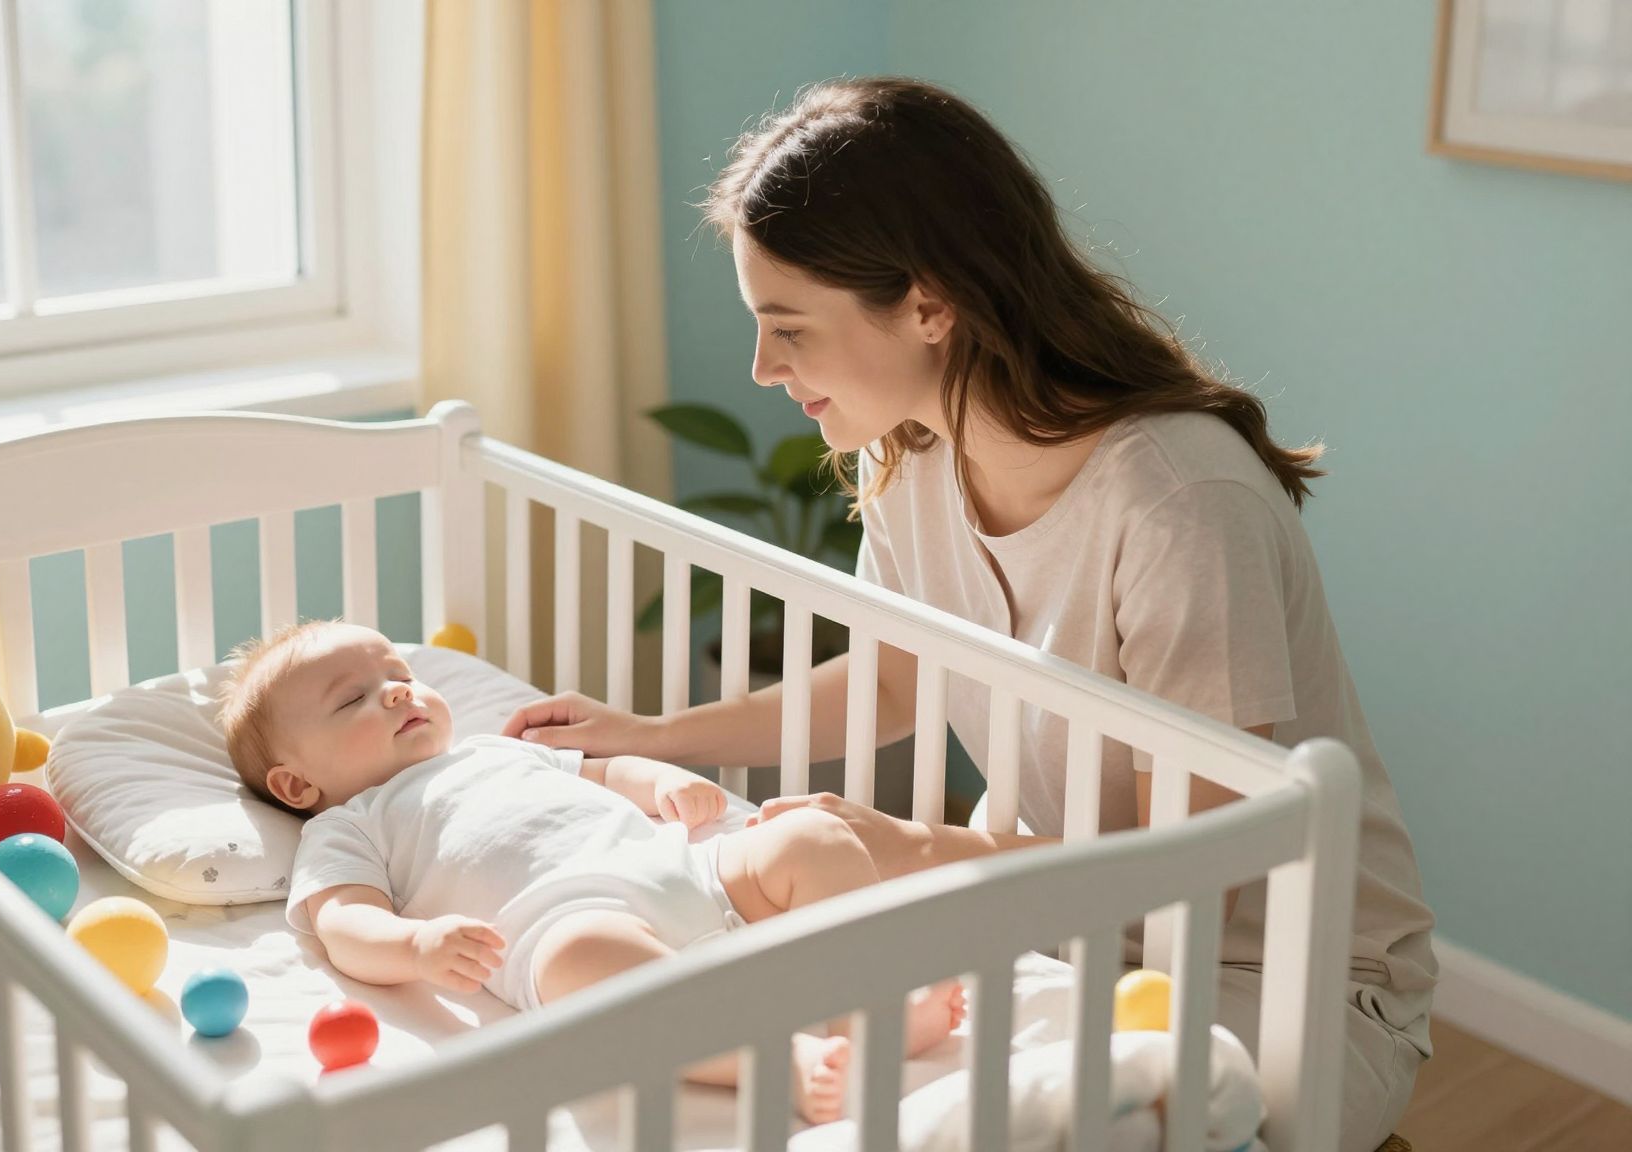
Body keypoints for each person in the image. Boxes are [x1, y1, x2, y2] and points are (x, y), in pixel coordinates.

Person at [499, 77, 1435, 1151]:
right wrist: (653, 735)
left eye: (788, 328)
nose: (762, 368)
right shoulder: (910, 455)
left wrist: (907, 847)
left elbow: (1193, 877)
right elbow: (896, 680)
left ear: (929, 306)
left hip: (1275, 974)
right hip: (1048, 917)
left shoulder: (1178, 502)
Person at [219, 620, 966, 1122]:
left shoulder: (493, 750)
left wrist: (660, 781)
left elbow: (604, 772)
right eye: (354, 698)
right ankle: (782, 1061)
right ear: (296, 785)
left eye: (400, 672)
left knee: (811, 836)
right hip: (568, 923)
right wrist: (415, 946)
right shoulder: (348, 824)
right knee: (585, 962)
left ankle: (870, 1011)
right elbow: (344, 920)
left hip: (690, 871)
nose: (397, 691)